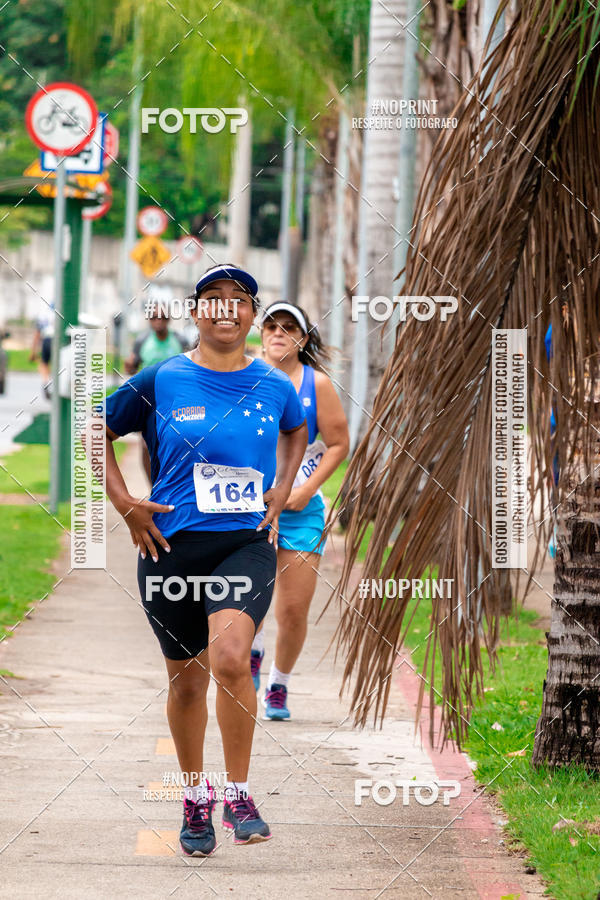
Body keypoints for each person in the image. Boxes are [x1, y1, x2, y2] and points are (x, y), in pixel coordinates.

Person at [101, 264, 308, 856]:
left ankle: (238, 791)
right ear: (196, 312)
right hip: (169, 548)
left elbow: (297, 431)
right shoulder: (160, 379)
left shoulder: (273, 384)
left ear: (251, 315)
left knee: (231, 658)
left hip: (245, 544)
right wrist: (125, 505)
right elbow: (94, 426)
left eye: (238, 300)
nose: (225, 309)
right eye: (212, 299)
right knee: (186, 685)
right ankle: (196, 799)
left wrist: (283, 487)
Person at [251, 302, 349, 720]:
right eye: (271, 326)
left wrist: (307, 489)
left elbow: (339, 444)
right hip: (248, 508)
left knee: (292, 609)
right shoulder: (243, 376)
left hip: (300, 511)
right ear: (261, 336)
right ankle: (249, 652)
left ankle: (278, 684)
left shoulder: (317, 385)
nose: (278, 333)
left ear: (302, 339)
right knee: (245, 600)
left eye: (289, 328)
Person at [124, 307, 187, 484]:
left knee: (175, 441)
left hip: (175, 400)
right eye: (154, 317)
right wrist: (129, 365)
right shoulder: (142, 340)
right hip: (148, 401)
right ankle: (153, 487)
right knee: (146, 444)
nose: (158, 321)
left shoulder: (179, 341)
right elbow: (132, 367)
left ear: (169, 320)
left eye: (162, 317)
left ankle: (173, 483)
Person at [29, 302, 54, 399]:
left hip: (47, 340)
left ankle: (46, 382)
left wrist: (33, 352)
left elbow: (37, 334)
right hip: (58, 341)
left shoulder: (44, 315)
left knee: (44, 363)